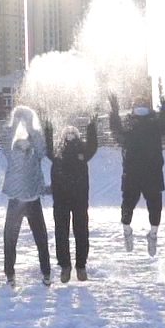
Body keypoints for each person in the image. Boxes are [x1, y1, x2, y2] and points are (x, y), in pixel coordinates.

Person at [108, 94, 165, 257]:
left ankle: (152, 234)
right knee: (128, 206)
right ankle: (127, 231)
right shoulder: (130, 127)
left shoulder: (154, 126)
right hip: (133, 174)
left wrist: (164, 111)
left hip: (152, 173)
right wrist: (114, 111)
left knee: (154, 207)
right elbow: (116, 129)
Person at [1, 106, 53, 285]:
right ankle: (10, 274)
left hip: (32, 201)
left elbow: (41, 146)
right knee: (10, 239)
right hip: (16, 201)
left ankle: (45, 273)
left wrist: (29, 123)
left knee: (40, 239)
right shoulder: (11, 152)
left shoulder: (35, 153)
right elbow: (6, 138)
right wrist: (16, 120)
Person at [44, 116, 99, 282]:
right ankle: (65, 267)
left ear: (78, 136)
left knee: (81, 231)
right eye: (67, 133)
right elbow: (48, 149)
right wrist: (48, 129)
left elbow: (93, 146)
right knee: (61, 232)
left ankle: (81, 266)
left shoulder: (83, 150)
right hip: (61, 199)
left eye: (73, 133)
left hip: (80, 199)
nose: (70, 135)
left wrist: (91, 126)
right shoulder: (57, 151)